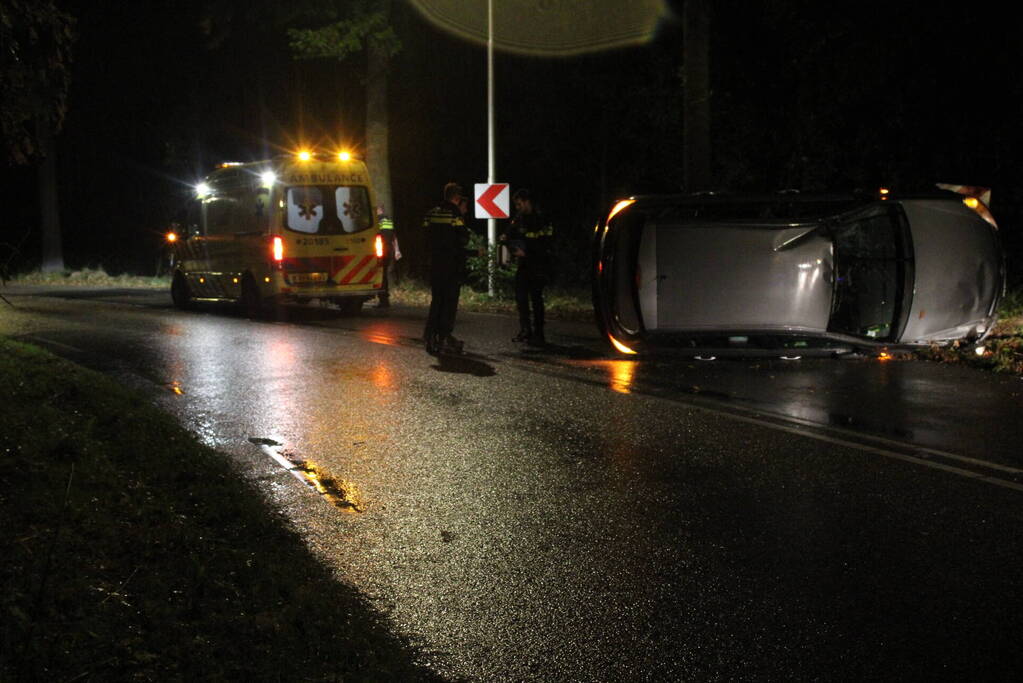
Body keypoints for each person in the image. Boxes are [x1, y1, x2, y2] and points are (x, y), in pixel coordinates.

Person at [422, 182, 472, 354]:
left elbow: (426, 236)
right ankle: (443, 337)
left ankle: (430, 336)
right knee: (449, 304)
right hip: (451, 266)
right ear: (457, 198)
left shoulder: (431, 213)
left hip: (435, 265)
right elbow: (463, 239)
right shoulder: (455, 214)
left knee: (436, 302)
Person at [503, 188, 554, 345]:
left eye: (519, 204)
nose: (517, 207)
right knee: (521, 298)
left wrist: (528, 253)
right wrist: (505, 238)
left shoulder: (542, 219)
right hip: (523, 266)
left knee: (536, 300)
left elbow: (547, 243)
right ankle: (525, 330)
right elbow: (510, 234)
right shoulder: (519, 219)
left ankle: (539, 334)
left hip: (538, 265)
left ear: (527, 202)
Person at [375, 205, 400, 308]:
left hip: (380, 250)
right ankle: (384, 299)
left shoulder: (377, 221)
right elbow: (394, 237)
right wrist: (397, 250)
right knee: (384, 274)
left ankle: (383, 300)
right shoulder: (389, 220)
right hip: (389, 250)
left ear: (378, 210)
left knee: (380, 275)